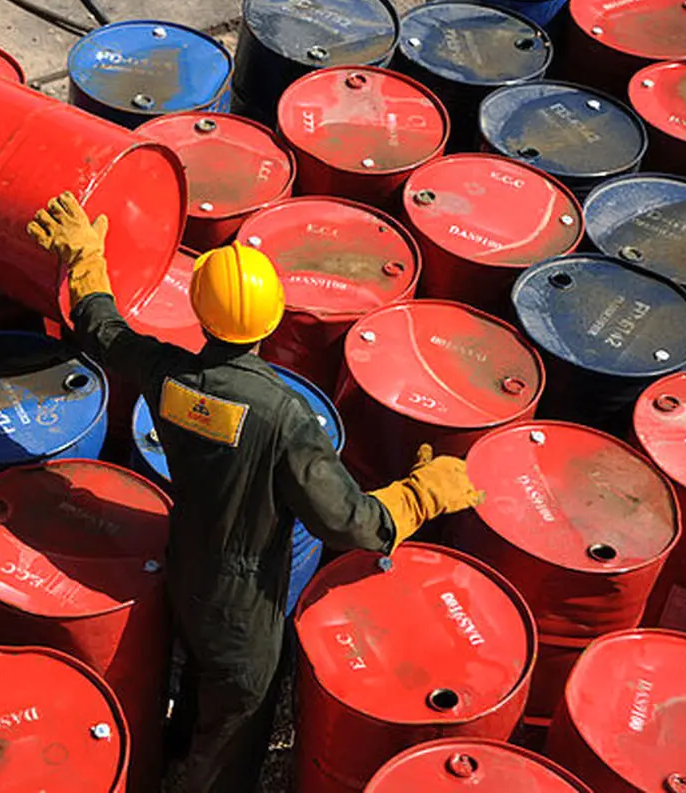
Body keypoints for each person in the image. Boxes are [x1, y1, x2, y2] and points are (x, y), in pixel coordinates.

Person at [28, 192, 482, 793]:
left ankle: (174, 756)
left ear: (200, 313)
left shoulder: (167, 375)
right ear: (272, 321)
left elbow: (104, 331)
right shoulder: (283, 417)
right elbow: (350, 523)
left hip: (185, 571)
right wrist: (424, 493)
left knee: (198, 685)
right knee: (233, 732)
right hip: (243, 607)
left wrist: (86, 259)